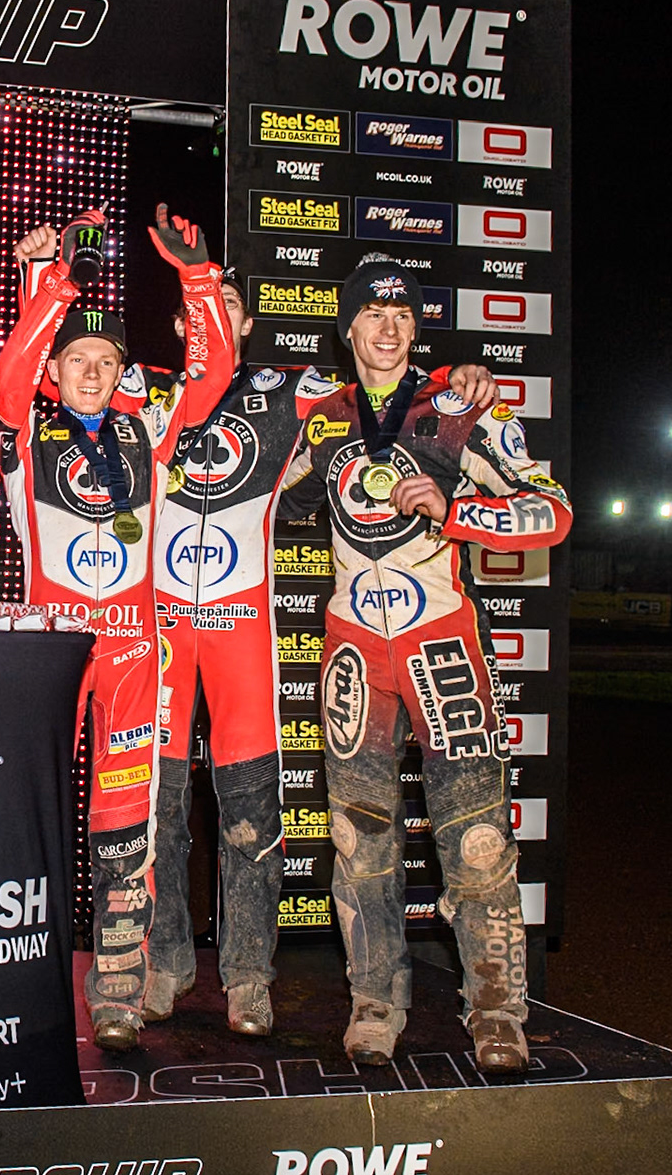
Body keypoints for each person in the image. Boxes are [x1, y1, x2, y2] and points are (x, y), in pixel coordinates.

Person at [120, 274, 495, 1038]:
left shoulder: (297, 390)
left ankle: (251, 978)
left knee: (254, 819)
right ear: (177, 320)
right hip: (159, 633)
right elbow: (68, 392)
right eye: (200, 310)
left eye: (228, 309)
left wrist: (465, 377)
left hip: (251, 630)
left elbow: (400, 392)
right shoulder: (144, 390)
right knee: (156, 814)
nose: (216, 321)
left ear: (250, 322)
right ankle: (161, 965)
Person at [276, 254, 571, 1072]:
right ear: (348, 327)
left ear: (416, 327)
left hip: (443, 644)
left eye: (403, 315)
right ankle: (375, 1000)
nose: (389, 326)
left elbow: (551, 509)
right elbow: (252, 497)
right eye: (373, 312)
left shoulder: (459, 406)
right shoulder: (323, 417)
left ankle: (497, 1011)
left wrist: (462, 509)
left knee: (476, 840)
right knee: (357, 839)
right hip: (353, 655)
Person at [0, 205, 234, 1051]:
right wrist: (55, 289)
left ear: (122, 371)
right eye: (77, 360)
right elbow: (5, 381)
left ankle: (119, 987)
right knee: (26, 820)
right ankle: (16, 980)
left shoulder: (145, 428)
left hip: (133, 653)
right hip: (52, 658)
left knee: (128, 821)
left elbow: (210, 376)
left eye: (106, 361)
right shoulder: (25, 426)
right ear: (56, 368)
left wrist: (198, 279)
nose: (91, 373)